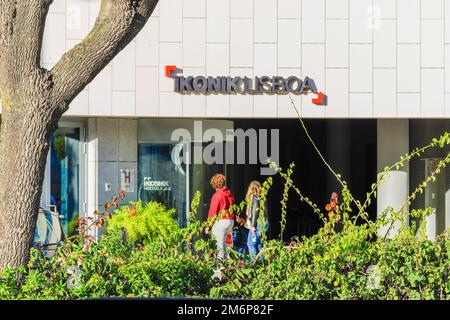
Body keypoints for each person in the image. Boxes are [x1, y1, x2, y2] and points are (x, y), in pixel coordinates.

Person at [205, 173, 235, 259]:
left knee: (218, 246)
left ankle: (219, 270)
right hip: (230, 221)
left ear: (214, 184)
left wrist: (208, 226)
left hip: (221, 221)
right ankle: (228, 268)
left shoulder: (217, 195)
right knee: (227, 247)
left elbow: (213, 212)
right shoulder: (230, 194)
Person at [244, 181, 269, 261]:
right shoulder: (262, 197)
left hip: (257, 224)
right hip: (264, 223)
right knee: (259, 244)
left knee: (250, 244)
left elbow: (255, 211)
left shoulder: (253, 197)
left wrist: (253, 225)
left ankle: (254, 264)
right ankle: (262, 264)